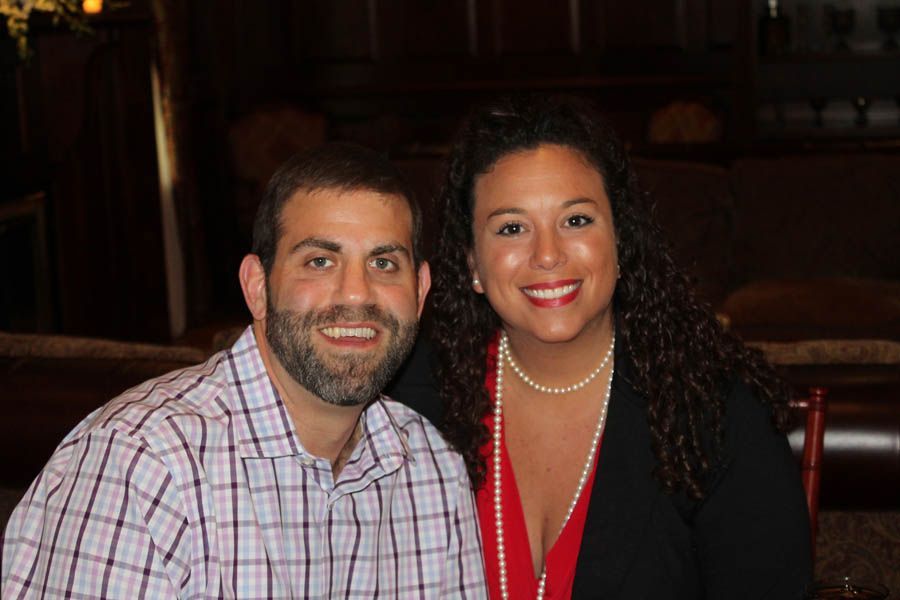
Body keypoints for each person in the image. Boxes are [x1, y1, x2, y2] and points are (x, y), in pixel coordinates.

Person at [2, 143, 487, 598]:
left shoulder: (432, 467)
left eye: (383, 263)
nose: (356, 294)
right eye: (320, 261)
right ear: (257, 288)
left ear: (420, 292)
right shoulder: (141, 465)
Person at [397, 95, 812, 599]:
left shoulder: (712, 417)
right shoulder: (410, 403)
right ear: (473, 266)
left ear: (620, 240)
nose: (547, 255)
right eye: (511, 228)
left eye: (576, 220)